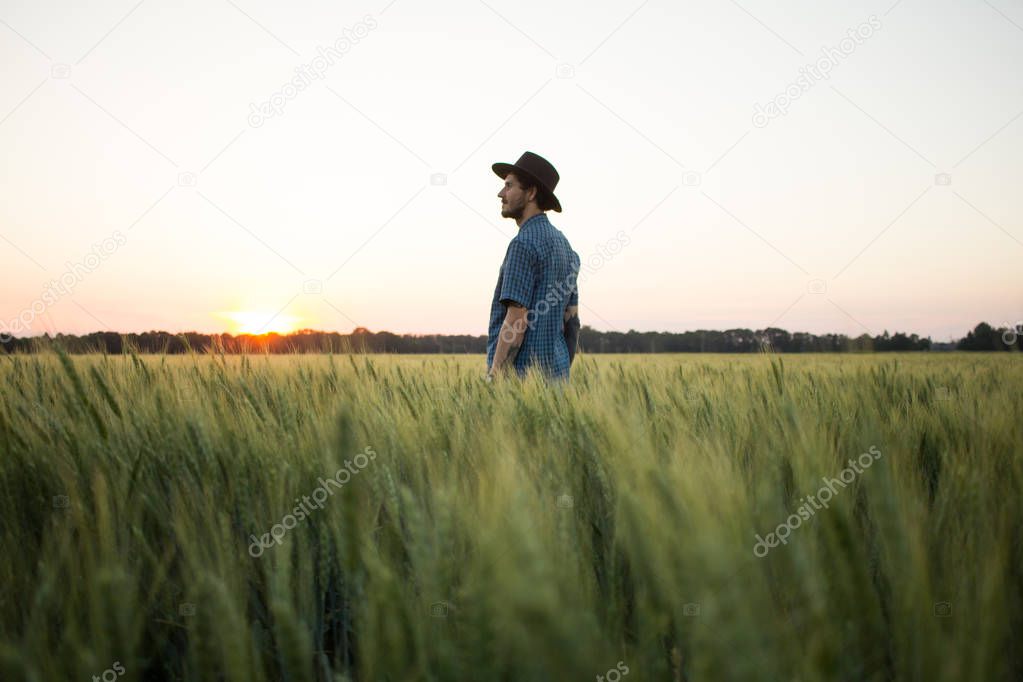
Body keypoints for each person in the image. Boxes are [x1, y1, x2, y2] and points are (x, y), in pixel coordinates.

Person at [486, 151, 581, 383]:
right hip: (557, 377)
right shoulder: (567, 249)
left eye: (509, 186)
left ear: (531, 193)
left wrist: (495, 376)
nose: (501, 193)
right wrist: (558, 371)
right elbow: (572, 320)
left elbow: (517, 320)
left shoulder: (523, 244)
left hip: (521, 379)